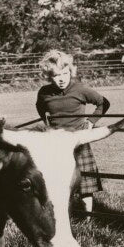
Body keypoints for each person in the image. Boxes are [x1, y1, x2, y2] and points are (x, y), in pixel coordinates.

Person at [36, 50, 110, 214]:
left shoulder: (80, 90)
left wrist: (91, 122)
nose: (61, 79)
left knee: (85, 184)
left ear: (70, 71)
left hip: (78, 141)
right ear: (49, 76)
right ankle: (61, 217)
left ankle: (88, 218)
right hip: (56, 143)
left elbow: (103, 103)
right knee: (56, 182)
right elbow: (40, 107)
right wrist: (47, 123)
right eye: (56, 75)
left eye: (65, 73)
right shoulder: (44, 93)